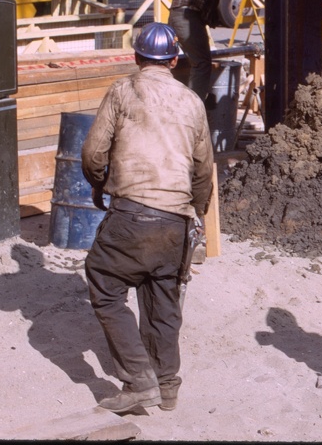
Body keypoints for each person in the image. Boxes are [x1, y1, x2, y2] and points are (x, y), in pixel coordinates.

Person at [82, 22, 214, 414]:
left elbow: (93, 152)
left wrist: (98, 184)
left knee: (104, 282)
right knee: (162, 299)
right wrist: (197, 213)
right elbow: (204, 170)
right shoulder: (192, 101)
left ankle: (139, 381)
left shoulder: (124, 90)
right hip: (176, 219)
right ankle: (167, 385)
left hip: (133, 213)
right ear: (174, 60)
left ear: (137, 58)